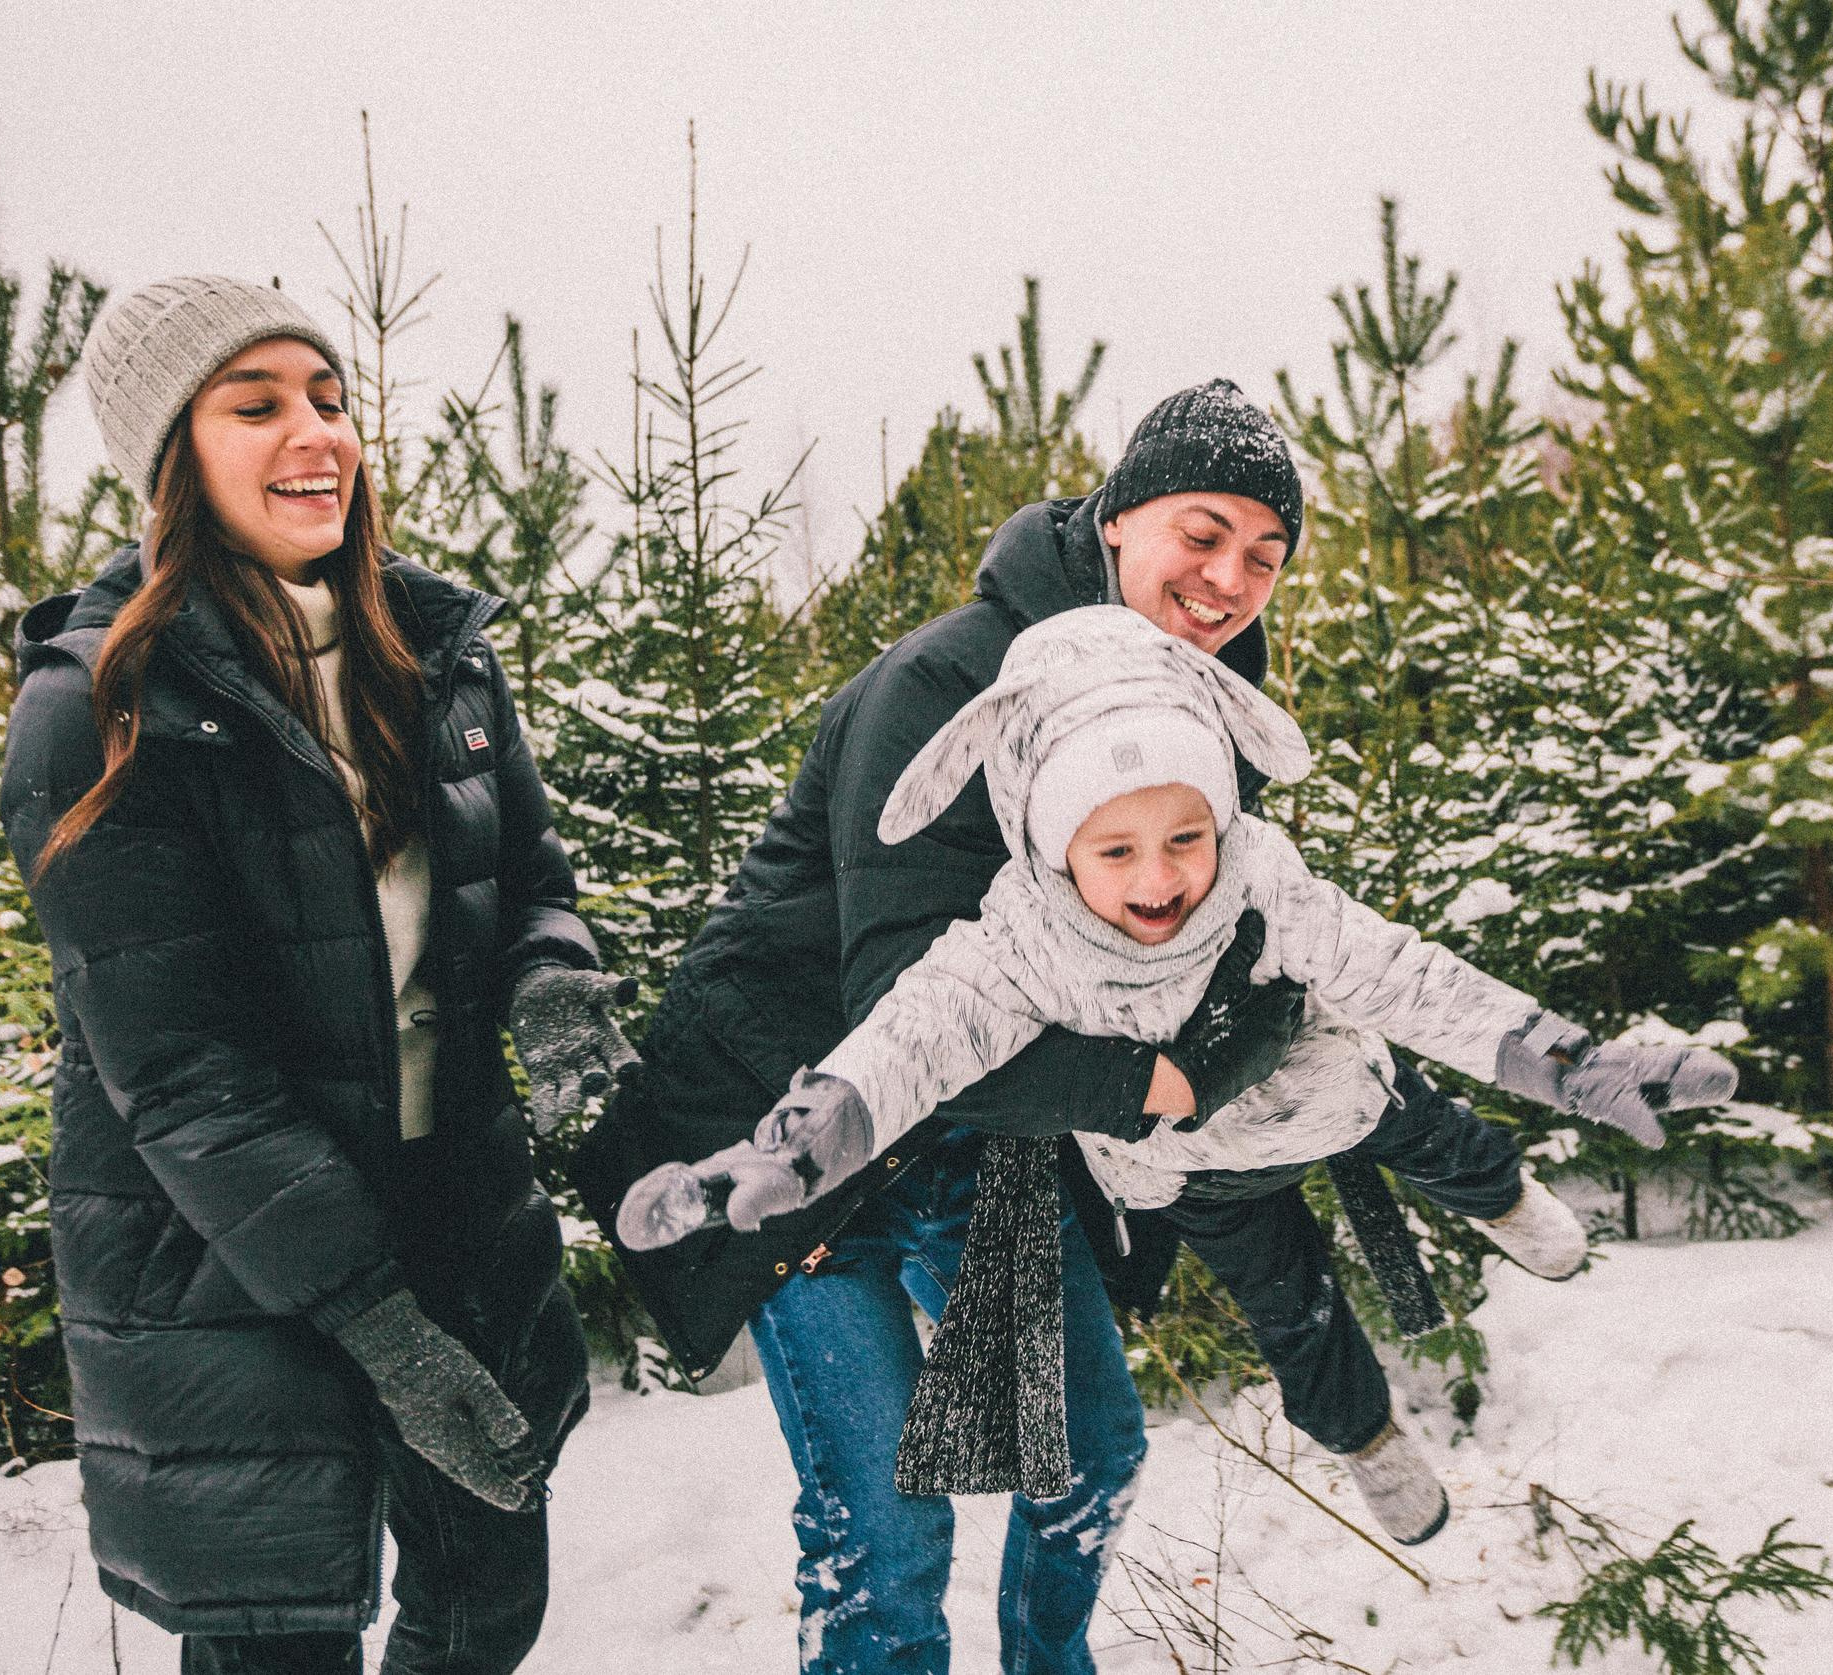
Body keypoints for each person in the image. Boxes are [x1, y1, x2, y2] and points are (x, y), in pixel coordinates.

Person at [618, 604, 1738, 1543]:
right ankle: (1369, 1441)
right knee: (1286, 1303)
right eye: (1115, 851)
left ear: (1222, 819)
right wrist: (791, 1146)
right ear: (1053, 846)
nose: (1160, 880)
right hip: (1195, 1165)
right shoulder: (1017, 941)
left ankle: (1505, 1199)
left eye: (1185, 838)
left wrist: (1573, 1063)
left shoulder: (1260, 877)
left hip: (1325, 1087)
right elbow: (910, 1039)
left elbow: (1405, 973)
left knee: (1424, 1126)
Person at [573, 379, 1351, 1674]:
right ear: (1118, 521)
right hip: (783, 1129)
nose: (1231, 578)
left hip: (970, 1128)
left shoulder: (1188, 721)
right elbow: (904, 1000)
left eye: (1265, 555)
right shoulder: (948, 681)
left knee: (1091, 1451)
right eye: (1202, 533)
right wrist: (1152, 1081)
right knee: (886, 1520)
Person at [0, 276, 638, 1675]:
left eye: (331, 399)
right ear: (173, 457)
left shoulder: (437, 651)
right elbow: (178, 1070)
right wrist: (377, 1326)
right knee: (279, 1640)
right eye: (258, 404)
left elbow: (529, 877)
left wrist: (550, 979)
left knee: (486, 1597)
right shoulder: (104, 702)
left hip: (450, 1203)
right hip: (236, 1248)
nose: (318, 433)